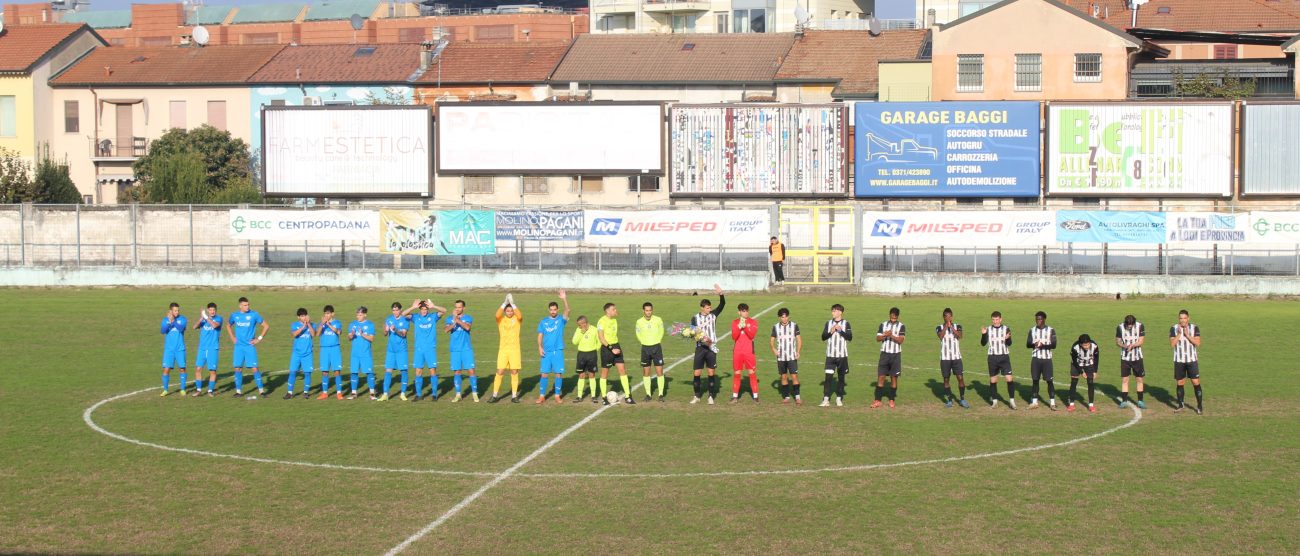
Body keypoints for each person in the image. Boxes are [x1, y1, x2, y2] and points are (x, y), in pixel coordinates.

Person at [404, 299, 447, 402]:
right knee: (418, 371)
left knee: (432, 371)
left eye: (425, 309)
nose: (424, 311)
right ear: (419, 309)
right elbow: (403, 314)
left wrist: (434, 306)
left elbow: (444, 311)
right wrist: (413, 307)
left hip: (430, 348)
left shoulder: (433, 317)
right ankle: (419, 395)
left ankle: (434, 394)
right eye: (422, 309)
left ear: (428, 309)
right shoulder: (415, 317)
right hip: (419, 349)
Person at [690, 284, 726, 405]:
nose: (709, 310)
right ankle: (697, 396)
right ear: (702, 308)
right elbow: (693, 332)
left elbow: (722, 305)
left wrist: (721, 294)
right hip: (700, 348)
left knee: (711, 373)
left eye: (710, 308)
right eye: (707, 308)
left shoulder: (713, 315)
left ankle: (710, 396)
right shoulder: (695, 318)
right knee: (697, 373)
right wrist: (694, 335)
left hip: (711, 348)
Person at [227, 296, 269, 398]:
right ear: (240, 306)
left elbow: (266, 326)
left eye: (248, 304)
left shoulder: (254, 314)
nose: (247, 306)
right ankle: (238, 391)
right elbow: (228, 325)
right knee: (238, 368)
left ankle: (261, 391)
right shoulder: (234, 315)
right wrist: (232, 337)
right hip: (238, 347)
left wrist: (258, 338)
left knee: (254, 368)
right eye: (245, 305)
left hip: (249, 346)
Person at [536, 290, 571, 404]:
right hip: (546, 352)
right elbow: (540, 335)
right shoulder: (543, 322)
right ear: (548, 310)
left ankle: (557, 395)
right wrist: (540, 347)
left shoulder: (561, 320)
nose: (553, 311)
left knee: (558, 373)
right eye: (551, 310)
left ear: (557, 310)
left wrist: (564, 299)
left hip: (557, 351)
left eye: (555, 309)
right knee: (544, 374)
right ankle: (542, 396)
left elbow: (568, 310)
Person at [597, 302, 634, 405]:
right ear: (607, 311)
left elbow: (615, 316)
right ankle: (604, 397)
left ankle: (628, 396)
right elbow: (601, 338)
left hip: (616, 346)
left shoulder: (614, 320)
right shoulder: (601, 322)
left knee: (622, 370)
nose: (616, 310)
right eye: (613, 309)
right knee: (605, 373)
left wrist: (615, 348)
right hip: (607, 349)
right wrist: (611, 348)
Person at [491, 294, 524, 404]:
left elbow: (520, 315)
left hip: (515, 350)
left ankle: (514, 396)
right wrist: (504, 303)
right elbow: (496, 315)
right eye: (507, 311)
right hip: (503, 350)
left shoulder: (517, 319)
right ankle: (494, 395)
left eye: (511, 311)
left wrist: (513, 304)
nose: (510, 312)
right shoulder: (501, 320)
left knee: (514, 371)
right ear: (505, 312)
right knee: (500, 371)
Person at [1170, 309, 1204, 414]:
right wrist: (1179, 334)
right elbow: (1172, 344)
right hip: (1179, 360)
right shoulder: (1174, 328)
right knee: (1180, 382)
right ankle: (1180, 405)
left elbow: (1198, 343)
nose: (1183, 320)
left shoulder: (1194, 328)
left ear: (1188, 318)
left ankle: (1199, 406)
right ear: (1178, 319)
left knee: (1195, 382)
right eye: (1181, 318)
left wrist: (1188, 335)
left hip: (1191, 360)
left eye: (1184, 318)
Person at [445, 300, 479, 402]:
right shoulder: (449, 319)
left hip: (466, 349)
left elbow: (467, 327)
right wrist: (454, 321)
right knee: (457, 371)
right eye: (456, 307)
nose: (457, 309)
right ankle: (458, 394)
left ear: (463, 308)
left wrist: (457, 319)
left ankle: (474, 394)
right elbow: (446, 330)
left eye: (459, 307)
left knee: (471, 370)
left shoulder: (468, 318)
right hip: (455, 349)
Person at [872, 307, 906, 409]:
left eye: (895, 318)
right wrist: (885, 335)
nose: (893, 319)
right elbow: (878, 338)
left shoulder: (902, 326)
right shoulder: (883, 325)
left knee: (893, 378)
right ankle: (878, 400)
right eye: (892, 317)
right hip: (884, 354)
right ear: (889, 315)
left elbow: (901, 340)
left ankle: (891, 399)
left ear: (898, 316)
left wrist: (891, 336)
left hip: (895, 355)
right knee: (881, 377)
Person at [820, 303, 852, 407]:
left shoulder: (846, 323)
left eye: (834, 311)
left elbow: (850, 337)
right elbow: (823, 337)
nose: (832, 313)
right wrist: (831, 331)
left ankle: (839, 398)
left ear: (840, 312)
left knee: (841, 377)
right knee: (828, 377)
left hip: (842, 356)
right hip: (830, 355)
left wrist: (840, 330)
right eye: (832, 311)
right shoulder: (828, 323)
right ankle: (826, 399)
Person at [981, 311, 1015, 409]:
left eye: (996, 319)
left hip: (1004, 357)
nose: (995, 321)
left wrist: (1007, 339)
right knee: (993, 380)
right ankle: (995, 402)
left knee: (1009, 379)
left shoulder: (1006, 329)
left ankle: (1012, 401)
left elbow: (1010, 343)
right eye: (993, 319)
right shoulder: (988, 329)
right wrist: (983, 334)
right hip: (992, 357)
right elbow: (983, 343)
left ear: (1000, 319)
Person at [380, 301, 412, 401]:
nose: (395, 312)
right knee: (388, 370)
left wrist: (395, 329)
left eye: (397, 310)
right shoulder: (389, 319)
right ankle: (385, 394)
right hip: (391, 350)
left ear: (400, 310)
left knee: (403, 371)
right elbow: (385, 334)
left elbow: (403, 334)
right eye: (393, 310)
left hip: (401, 350)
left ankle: (402, 393)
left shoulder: (405, 320)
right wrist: (385, 330)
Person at [1026, 311, 1058, 410]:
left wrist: (1042, 345)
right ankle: (1035, 402)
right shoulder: (1032, 330)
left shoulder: (1051, 330)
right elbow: (1028, 344)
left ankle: (1052, 402)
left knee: (1049, 381)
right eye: (1036, 319)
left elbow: (1054, 345)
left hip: (1047, 360)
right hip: (1036, 359)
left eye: (1040, 319)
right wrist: (1034, 344)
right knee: (1035, 380)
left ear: (1044, 319)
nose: (1038, 321)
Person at [936, 308, 968, 408]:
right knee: (946, 379)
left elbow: (960, 336)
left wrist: (952, 328)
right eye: (946, 316)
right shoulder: (939, 327)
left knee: (960, 378)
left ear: (952, 317)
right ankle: (949, 400)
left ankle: (962, 399)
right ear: (943, 317)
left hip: (956, 357)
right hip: (945, 358)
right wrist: (946, 327)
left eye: (949, 316)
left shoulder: (958, 326)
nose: (948, 318)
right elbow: (941, 337)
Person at [635, 301, 667, 403]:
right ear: (643, 311)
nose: (648, 312)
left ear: (652, 310)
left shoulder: (658, 319)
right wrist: (643, 342)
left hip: (656, 347)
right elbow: (638, 333)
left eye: (650, 310)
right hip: (645, 348)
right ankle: (648, 394)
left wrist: (657, 340)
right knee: (646, 372)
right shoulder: (639, 321)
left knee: (659, 371)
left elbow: (662, 331)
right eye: (646, 310)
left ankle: (661, 394)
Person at [770, 308, 802, 405]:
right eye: (782, 317)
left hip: (792, 356)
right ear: (779, 317)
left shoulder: (794, 326)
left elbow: (799, 340)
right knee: (783, 377)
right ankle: (786, 397)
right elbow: (771, 341)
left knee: (794, 376)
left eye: (786, 316)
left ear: (788, 316)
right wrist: (773, 349)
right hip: (781, 357)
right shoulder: (775, 327)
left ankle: (797, 397)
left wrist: (798, 351)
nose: (784, 319)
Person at [1115, 314, 1147, 409]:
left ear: (1134, 323)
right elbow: (1118, 341)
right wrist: (1125, 346)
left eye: (1131, 325)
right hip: (1125, 358)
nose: (1129, 326)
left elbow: (1141, 341)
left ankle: (1140, 401)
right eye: (1128, 325)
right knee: (1125, 379)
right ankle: (1124, 401)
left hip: (1137, 357)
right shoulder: (1120, 327)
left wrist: (1132, 345)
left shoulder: (1140, 326)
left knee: (1139, 379)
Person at [730, 303, 760, 403]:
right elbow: (734, 337)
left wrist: (745, 327)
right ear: (739, 312)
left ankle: (755, 397)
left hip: (749, 352)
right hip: (738, 352)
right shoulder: (734, 322)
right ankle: (734, 397)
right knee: (737, 373)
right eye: (743, 311)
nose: (745, 312)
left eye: (747, 311)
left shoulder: (753, 322)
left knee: (752, 373)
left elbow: (752, 335)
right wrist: (739, 327)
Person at [284, 308, 316, 399]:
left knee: (307, 373)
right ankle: (289, 392)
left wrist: (308, 324)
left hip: (308, 354)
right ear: (298, 317)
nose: (304, 317)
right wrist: (303, 326)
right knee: (293, 372)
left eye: (305, 315)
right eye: (302, 316)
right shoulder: (294, 325)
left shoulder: (312, 324)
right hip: (296, 354)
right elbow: (294, 334)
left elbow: (313, 334)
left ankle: (306, 392)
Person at [190, 302, 221, 397]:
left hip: (212, 349)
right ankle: (198, 390)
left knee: (212, 371)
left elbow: (215, 326)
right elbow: (194, 327)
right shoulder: (204, 320)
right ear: (208, 310)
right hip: (202, 349)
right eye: (210, 310)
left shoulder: (218, 319)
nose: (212, 311)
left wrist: (206, 317)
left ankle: (210, 391)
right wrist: (201, 318)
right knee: (198, 369)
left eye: (214, 310)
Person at [316, 305, 345, 400]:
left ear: (333, 313)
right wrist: (322, 324)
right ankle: (324, 393)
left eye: (328, 313)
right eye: (325, 313)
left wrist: (328, 325)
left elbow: (339, 332)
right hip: (324, 349)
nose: (326, 315)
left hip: (334, 349)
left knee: (337, 371)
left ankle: (339, 393)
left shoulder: (337, 322)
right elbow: (317, 334)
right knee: (324, 371)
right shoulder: (321, 323)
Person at [347, 306, 377, 400]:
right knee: (354, 372)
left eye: (360, 315)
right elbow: (349, 338)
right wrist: (351, 335)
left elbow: (371, 339)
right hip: (355, 354)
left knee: (369, 372)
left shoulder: (370, 325)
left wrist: (362, 334)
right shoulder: (352, 324)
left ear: (365, 314)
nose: (358, 316)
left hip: (365, 353)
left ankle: (372, 393)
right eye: (357, 314)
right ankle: (353, 393)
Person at [571, 315, 601, 404]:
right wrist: (581, 332)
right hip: (581, 354)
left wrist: (596, 349)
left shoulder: (594, 329)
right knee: (581, 375)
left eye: (580, 324)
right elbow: (574, 342)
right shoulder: (578, 330)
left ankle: (593, 396)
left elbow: (599, 341)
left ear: (585, 323)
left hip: (592, 354)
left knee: (592, 375)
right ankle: (579, 396)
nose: (579, 326)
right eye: (578, 325)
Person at [160, 302, 187, 397]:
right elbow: (163, 331)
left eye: (178, 310)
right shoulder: (165, 320)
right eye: (175, 310)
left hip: (180, 348)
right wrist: (169, 322)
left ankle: (183, 389)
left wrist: (173, 321)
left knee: (182, 369)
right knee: (166, 369)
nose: (177, 312)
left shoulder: (182, 319)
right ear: (170, 311)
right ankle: (165, 390)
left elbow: (181, 329)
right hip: (169, 349)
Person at [1068, 333, 1100, 413]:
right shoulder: (1075, 347)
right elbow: (1075, 361)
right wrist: (1081, 372)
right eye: (1084, 345)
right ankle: (1071, 404)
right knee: (1074, 382)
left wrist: (1095, 371)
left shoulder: (1094, 346)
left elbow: (1096, 358)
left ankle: (1091, 405)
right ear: (1080, 344)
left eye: (1088, 344)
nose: (1087, 347)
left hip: (1089, 364)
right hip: (1077, 365)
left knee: (1090, 382)